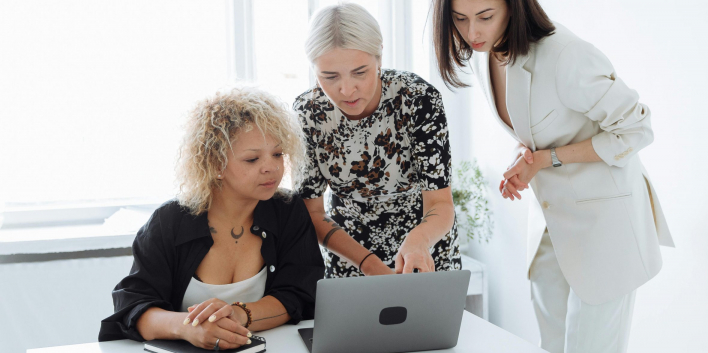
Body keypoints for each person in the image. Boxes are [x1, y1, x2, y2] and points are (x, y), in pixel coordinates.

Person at [432, 1, 674, 352]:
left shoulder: (566, 55)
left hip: (605, 225)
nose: (472, 33)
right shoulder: (487, 54)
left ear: (513, 7)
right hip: (551, 222)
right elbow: (537, 123)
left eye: (485, 17)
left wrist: (547, 159)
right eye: (460, 19)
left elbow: (637, 129)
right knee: (551, 345)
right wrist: (523, 157)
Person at [98, 87, 324, 350]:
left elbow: (298, 295)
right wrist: (188, 328)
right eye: (252, 159)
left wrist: (239, 314)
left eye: (277, 154)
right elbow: (133, 309)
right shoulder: (169, 221)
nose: (271, 167)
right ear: (216, 165)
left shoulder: (287, 210)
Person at [295, 3, 461, 278]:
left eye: (360, 72)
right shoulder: (308, 114)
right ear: (314, 69)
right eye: (330, 76)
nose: (346, 89)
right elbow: (311, 213)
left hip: (424, 251)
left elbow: (440, 204)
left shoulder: (417, 99)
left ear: (379, 55)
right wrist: (369, 264)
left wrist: (418, 242)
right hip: (348, 257)